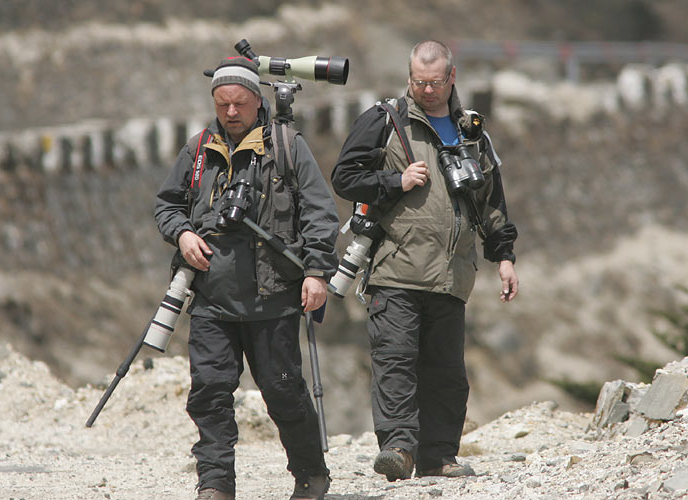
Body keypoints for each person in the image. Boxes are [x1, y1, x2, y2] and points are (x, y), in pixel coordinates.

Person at [331, 40, 519, 482]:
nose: (427, 90)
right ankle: (399, 449)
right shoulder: (385, 121)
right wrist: (395, 180)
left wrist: (504, 258)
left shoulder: (472, 131)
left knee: (447, 374)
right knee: (395, 361)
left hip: (452, 275)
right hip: (396, 269)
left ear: (451, 78)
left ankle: (439, 457)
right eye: (418, 81)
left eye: (435, 82)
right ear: (409, 75)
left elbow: (491, 202)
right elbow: (345, 177)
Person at [155, 56, 339, 500]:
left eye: (239, 103)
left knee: (284, 394)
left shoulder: (287, 147)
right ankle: (215, 485)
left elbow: (320, 213)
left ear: (258, 101)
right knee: (210, 394)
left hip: (273, 298)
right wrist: (181, 235)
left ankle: (311, 475)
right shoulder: (198, 151)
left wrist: (315, 272)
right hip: (212, 301)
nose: (231, 113)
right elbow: (167, 205)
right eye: (223, 105)